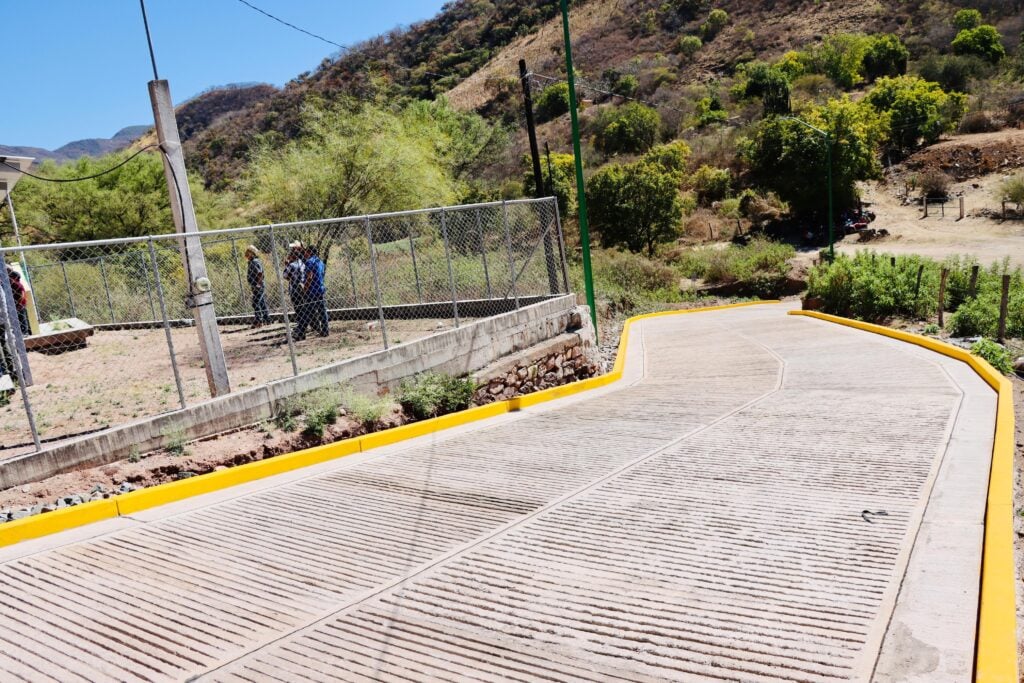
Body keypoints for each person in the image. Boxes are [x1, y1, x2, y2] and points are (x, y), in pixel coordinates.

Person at [294, 244, 328, 340]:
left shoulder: (309, 262)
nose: (305, 254)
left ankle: (301, 333)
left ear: (309, 252)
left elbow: (309, 277)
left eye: (306, 252)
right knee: (322, 311)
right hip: (320, 289)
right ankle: (325, 331)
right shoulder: (320, 262)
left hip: (311, 291)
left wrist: (305, 288)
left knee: (307, 312)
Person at [244, 245, 271, 328]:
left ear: (252, 253)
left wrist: (258, 284)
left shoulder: (255, 262)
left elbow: (260, 274)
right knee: (261, 302)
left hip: (258, 285)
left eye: (248, 253)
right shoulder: (252, 262)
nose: (246, 255)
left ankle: (258, 321)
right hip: (256, 285)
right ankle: (267, 319)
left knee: (256, 303)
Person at [283, 242, 306, 331]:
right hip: (303, 287)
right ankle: (303, 325)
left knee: (298, 308)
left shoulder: (292, 265)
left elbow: (285, 275)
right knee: (303, 307)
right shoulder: (303, 263)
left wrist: (287, 266)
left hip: (295, 289)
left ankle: (301, 326)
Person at [7, 266, 30, 336]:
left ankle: (25, 332)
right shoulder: (12, 284)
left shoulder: (17, 284)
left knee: (22, 318)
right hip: (17, 304)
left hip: (20, 304)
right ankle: (21, 331)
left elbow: (22, 295)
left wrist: (18, 303)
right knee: (19, 318)